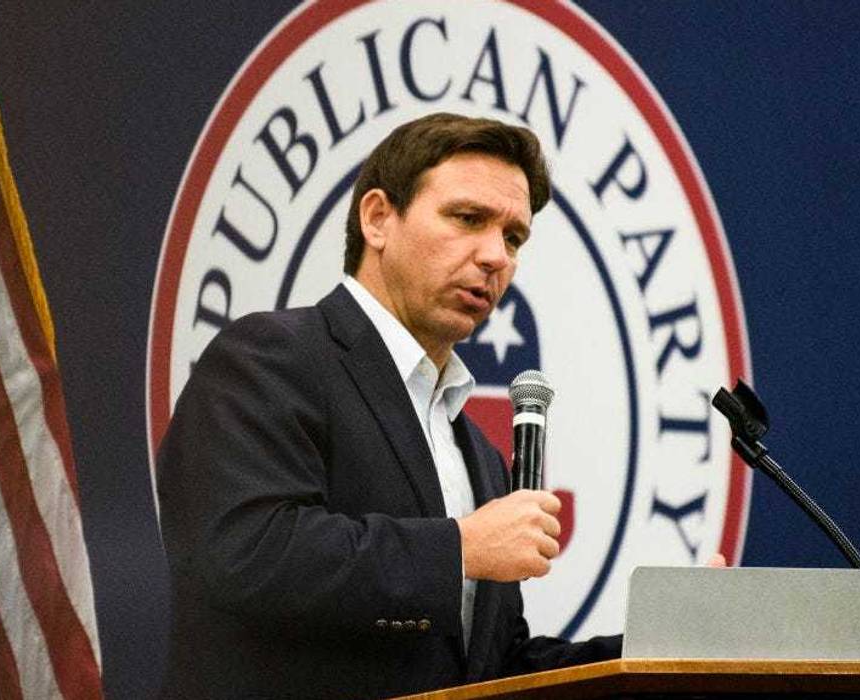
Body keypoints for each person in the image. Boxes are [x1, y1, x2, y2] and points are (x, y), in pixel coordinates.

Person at [157, 112, 621, 699]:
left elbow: (487, 667)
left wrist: (660, 650)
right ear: (377, 218)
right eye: (467, 218)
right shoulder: (271, 358)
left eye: (513, 237)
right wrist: (461, 548)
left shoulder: (477, 453)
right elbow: (243, 555)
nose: (495, 256)